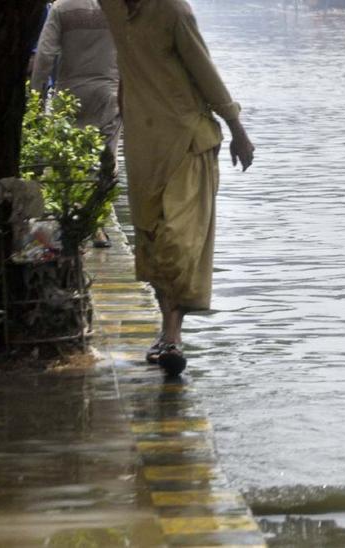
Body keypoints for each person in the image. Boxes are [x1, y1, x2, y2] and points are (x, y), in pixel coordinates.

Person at [98, 0, 255, 375]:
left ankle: (172, 334)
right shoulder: (114, 8)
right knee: (151, 241)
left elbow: (206, 74)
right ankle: (166, 334)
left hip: (188, 141)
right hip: (144, 144)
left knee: (179, 243)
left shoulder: (174, 12)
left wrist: (238, 132)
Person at [32, 0, 122, 247]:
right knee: (106, 158)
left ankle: (68, 218)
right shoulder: (118, 8)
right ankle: (98, 228)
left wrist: (36, 98)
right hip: (108, 92)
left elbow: (45, 54)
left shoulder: (62, 8)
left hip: (68, 93)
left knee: (66, 161)